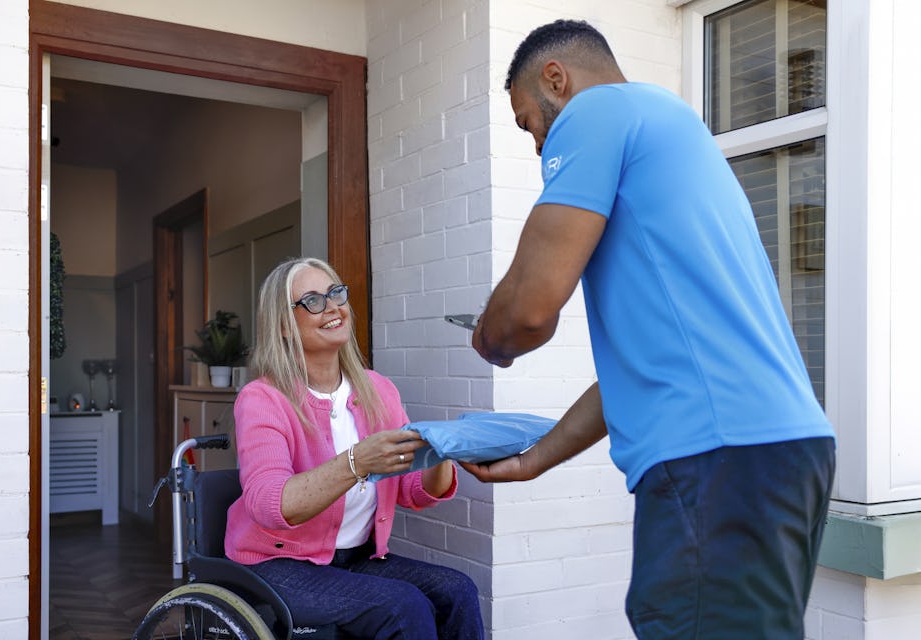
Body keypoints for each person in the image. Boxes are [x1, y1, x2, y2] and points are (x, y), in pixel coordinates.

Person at [461, 19, 836, 640]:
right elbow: (642, 370)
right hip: (775, 452)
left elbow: (525, 315)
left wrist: (486, 336)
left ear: (557, 79)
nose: (536, 148)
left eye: (531, 123)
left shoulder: (595, 114)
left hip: (717, 459)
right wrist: (535, 460)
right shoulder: (672, 126)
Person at [224, 257, 484, 640]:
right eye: (312, 300)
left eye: (335, 293)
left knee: (458, 591)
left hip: (356, 559)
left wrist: (442, 453)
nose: (332, 307)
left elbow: (412, 491)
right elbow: (268, 504)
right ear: (283, 324)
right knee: (403, 606)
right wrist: (357, 461)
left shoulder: (377, 390)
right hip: (277, 564)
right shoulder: (263, 398)